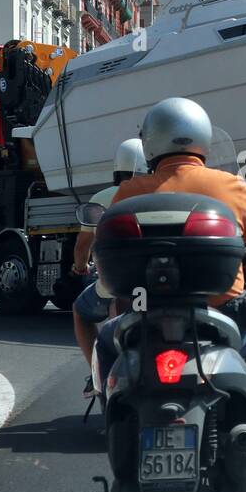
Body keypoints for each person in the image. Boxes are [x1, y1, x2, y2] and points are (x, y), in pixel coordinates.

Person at [93, 97, 246, 468]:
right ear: (201, 138)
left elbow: (106, 246)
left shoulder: (131, 191)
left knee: (105, 341)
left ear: (151, 143)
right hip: (223, 317)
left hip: (144, 321)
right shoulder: (229, 185)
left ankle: (115, 426)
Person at [72, 138, 148, 389]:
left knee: (81, 312)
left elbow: (83, 245)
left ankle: (96, 374)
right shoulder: (161, 192)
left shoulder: (102, 197)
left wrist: (80, 266)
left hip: (117, 278)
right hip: (161, 276)